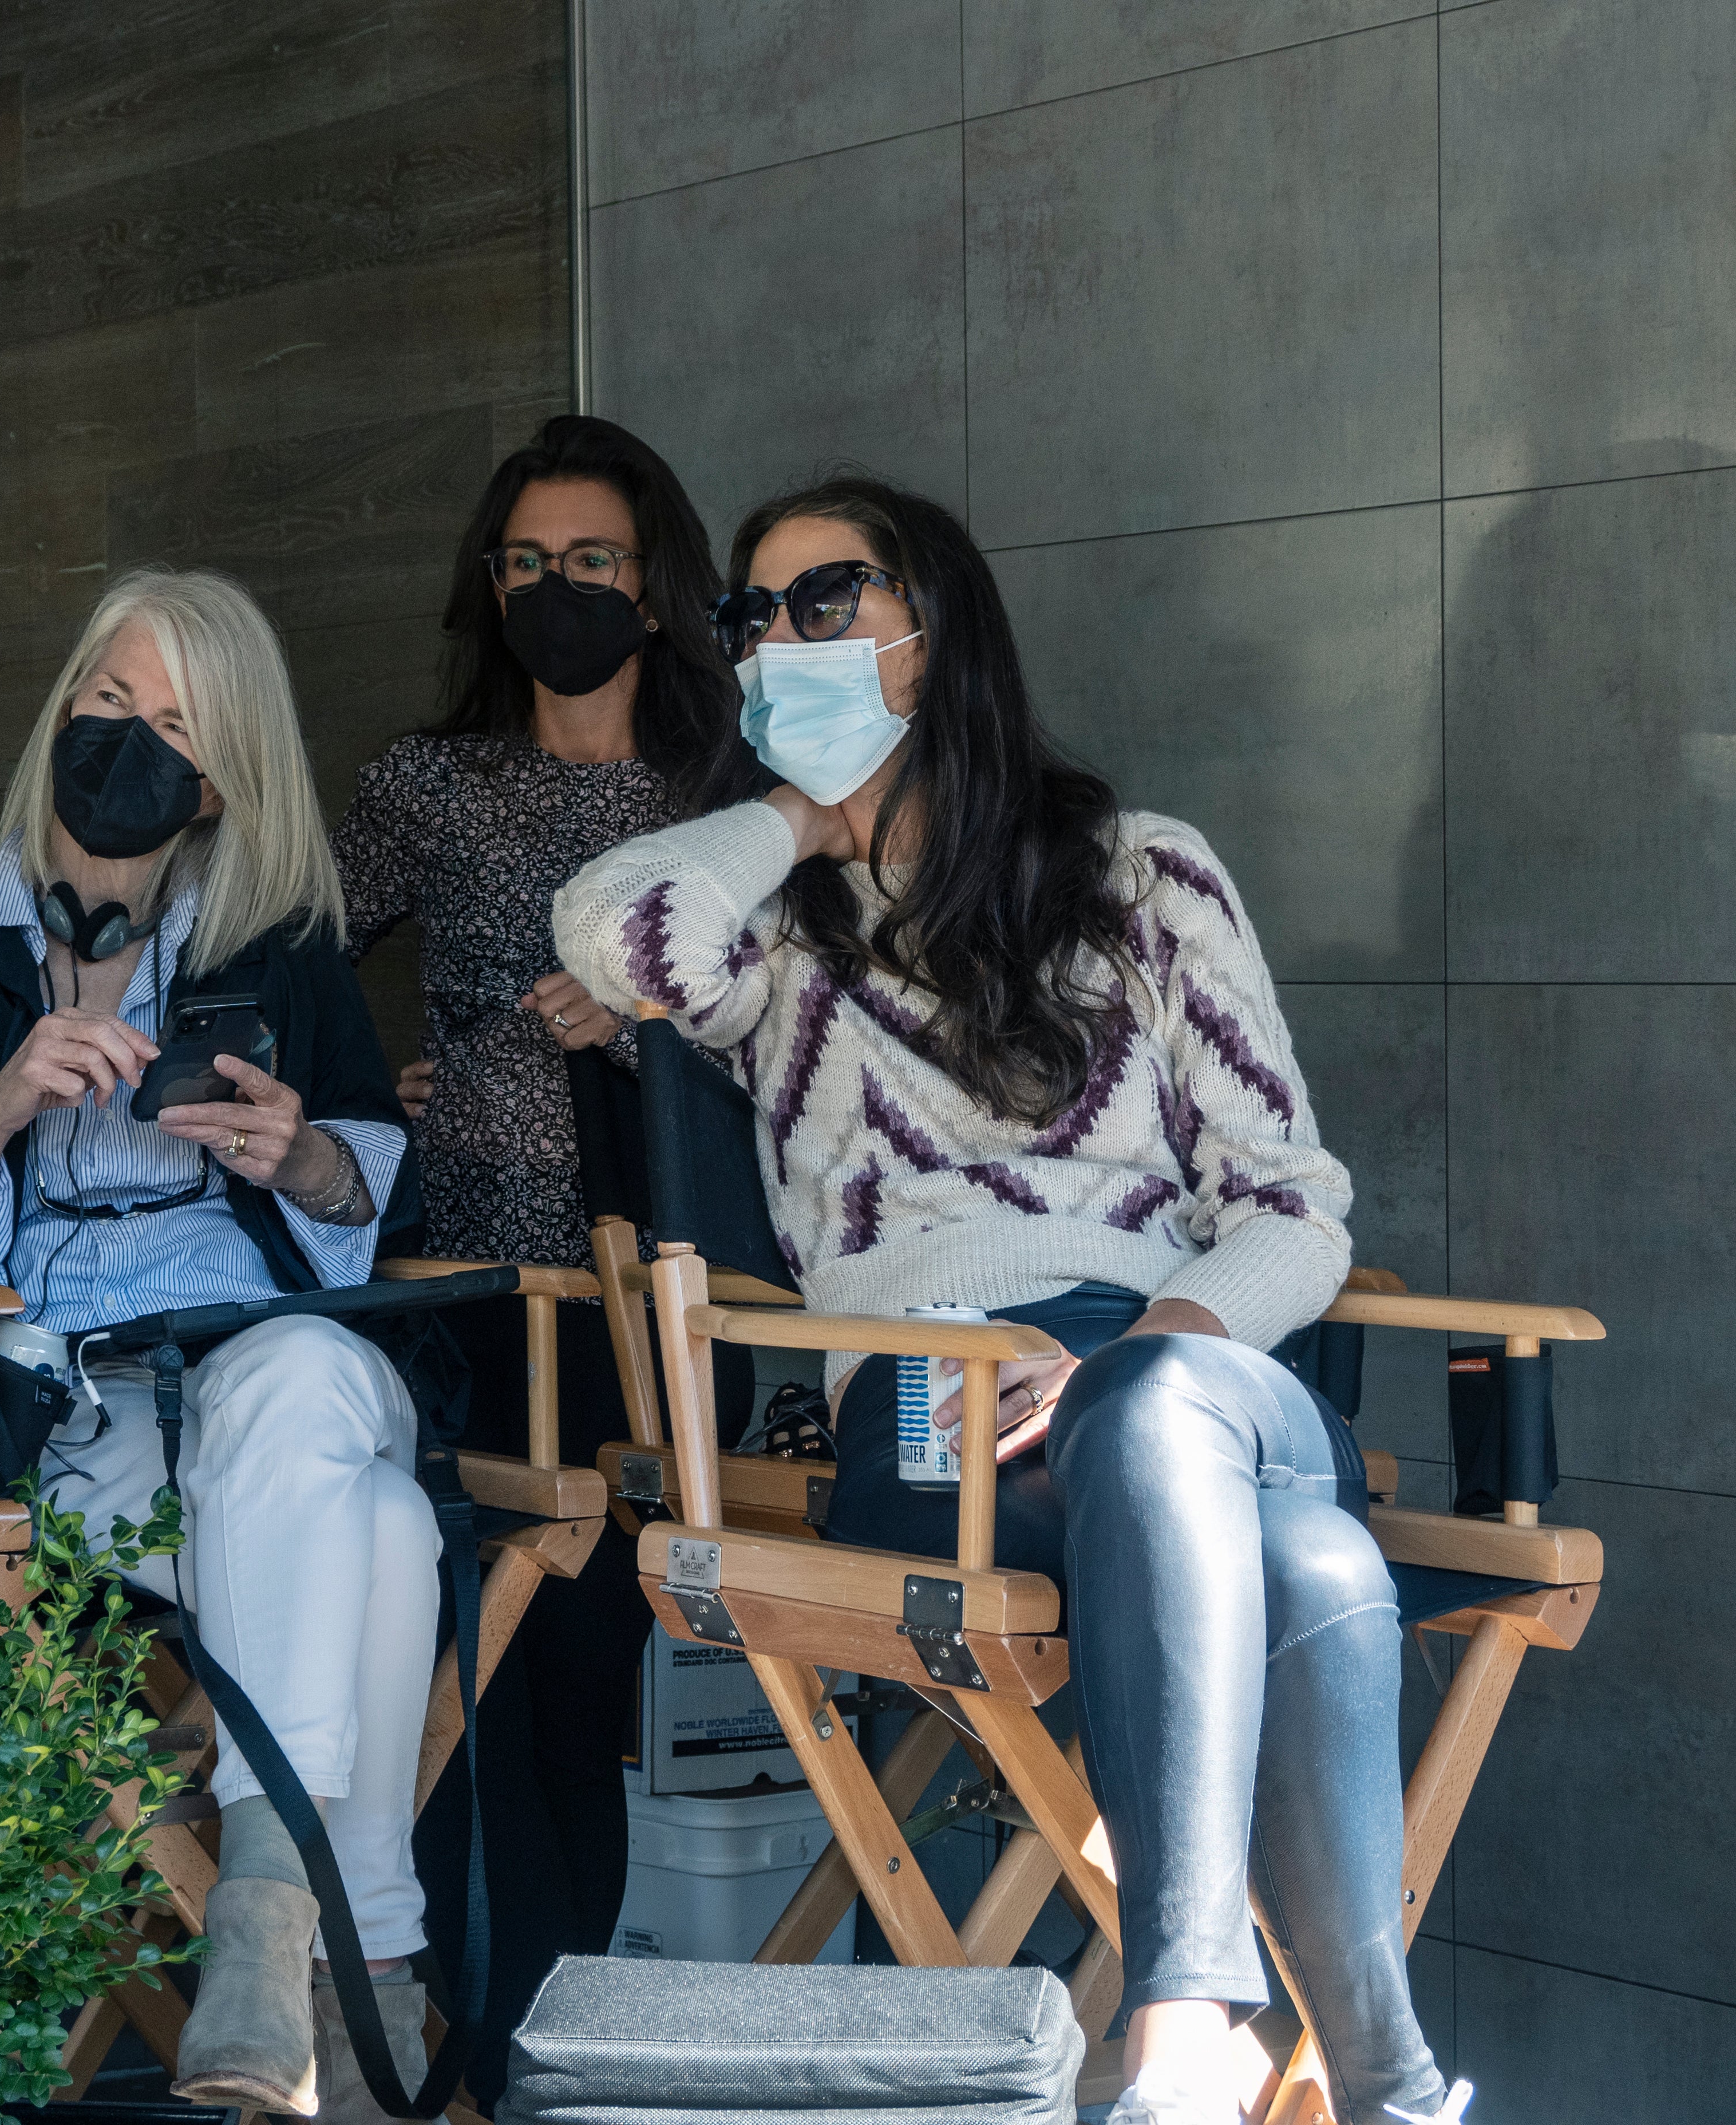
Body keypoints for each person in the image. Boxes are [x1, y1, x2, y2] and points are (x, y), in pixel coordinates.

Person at [552, 474, 1469, 2125]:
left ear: (936, 627)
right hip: (923, 1399)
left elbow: (1294, 1211)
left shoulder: (1147, 878)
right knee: (1317, 1559)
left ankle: (1186, 2021)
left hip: (1183, 1362)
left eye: (824, 600)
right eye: (749, 619)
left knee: (1154, 1406)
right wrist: (803, 821)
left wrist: (1151, 1362)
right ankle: (1387, 2079)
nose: (776, 643)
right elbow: (610, 931)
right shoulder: (782, 955)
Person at [0, 567, 427, 2125]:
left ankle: (259, 1928)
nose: (133, 742)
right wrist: (6, 1101)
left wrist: (296, 1156)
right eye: (110, 705)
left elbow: (358, 1195)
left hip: (251, 1366)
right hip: (45, 1415)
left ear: (221, 776)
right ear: (60, 712)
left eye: (174, 724)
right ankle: (364, 1984)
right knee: (387, 1523)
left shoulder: (280, 950)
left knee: (302, 1381)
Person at [330, 414, 760, 2084]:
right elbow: (284, 966)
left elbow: (810, 1046)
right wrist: (371, 1088)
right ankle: (490, 2040)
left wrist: (656, 1013)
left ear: (654, 588)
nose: (554, 588)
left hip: (652, 1306)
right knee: (461, 1680)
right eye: (524, 562)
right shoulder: (425, 784)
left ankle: (552, 2050)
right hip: (459, 1293)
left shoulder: (730, 802)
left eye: (590, 561)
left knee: (583, 1687)